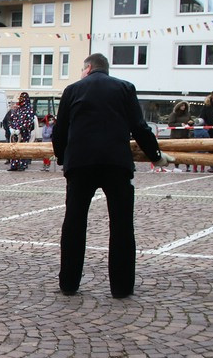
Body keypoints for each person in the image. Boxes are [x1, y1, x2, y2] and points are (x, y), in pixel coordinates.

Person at [52, 53, 167, 299]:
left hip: (80, 164)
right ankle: (121, 287)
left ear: (89, 68)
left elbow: (59, 130)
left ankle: (69, 282)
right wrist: (155, 155)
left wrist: (63, 159)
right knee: (122, 225)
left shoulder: (72, 90)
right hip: (116, 163)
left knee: (74, 223)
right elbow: (139, 126)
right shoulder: (125, 88)